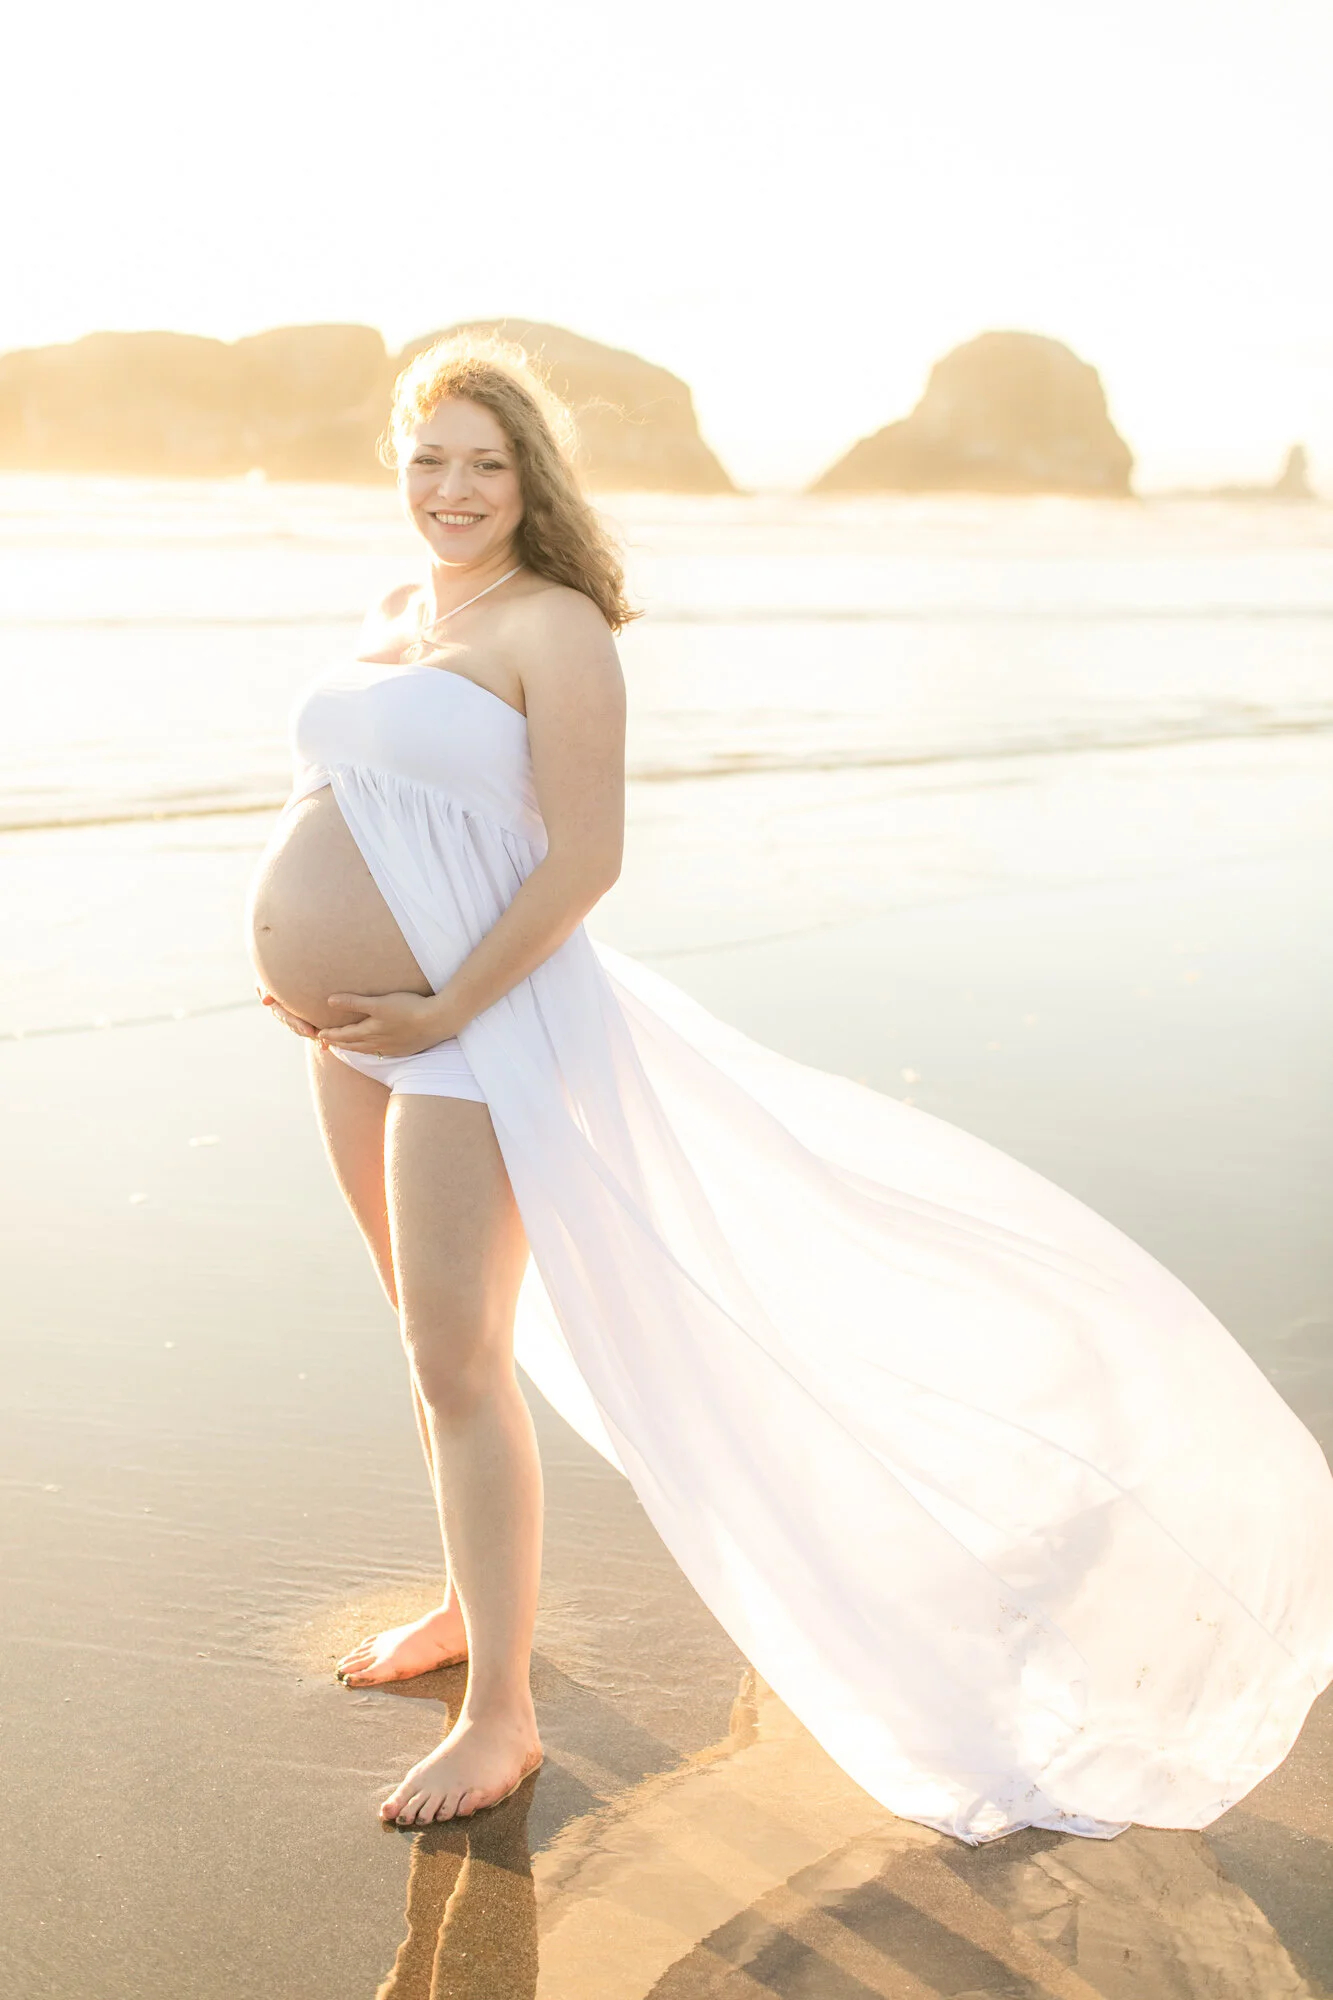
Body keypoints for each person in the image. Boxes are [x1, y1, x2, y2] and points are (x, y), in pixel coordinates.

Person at [252, 333, 1333, 1841]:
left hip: (470, 1034)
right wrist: (298, 957)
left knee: (459, 1361)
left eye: (486, 464)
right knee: (426, 1341)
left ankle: (503, 1714)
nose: (452, 488)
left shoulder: (556, 625)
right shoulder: (390, 614)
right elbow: (346, 795)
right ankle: (460, 1599)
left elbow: (586, 860)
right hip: (357, 1035)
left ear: (530, 480)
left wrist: (444, 1008)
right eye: (429, 459)